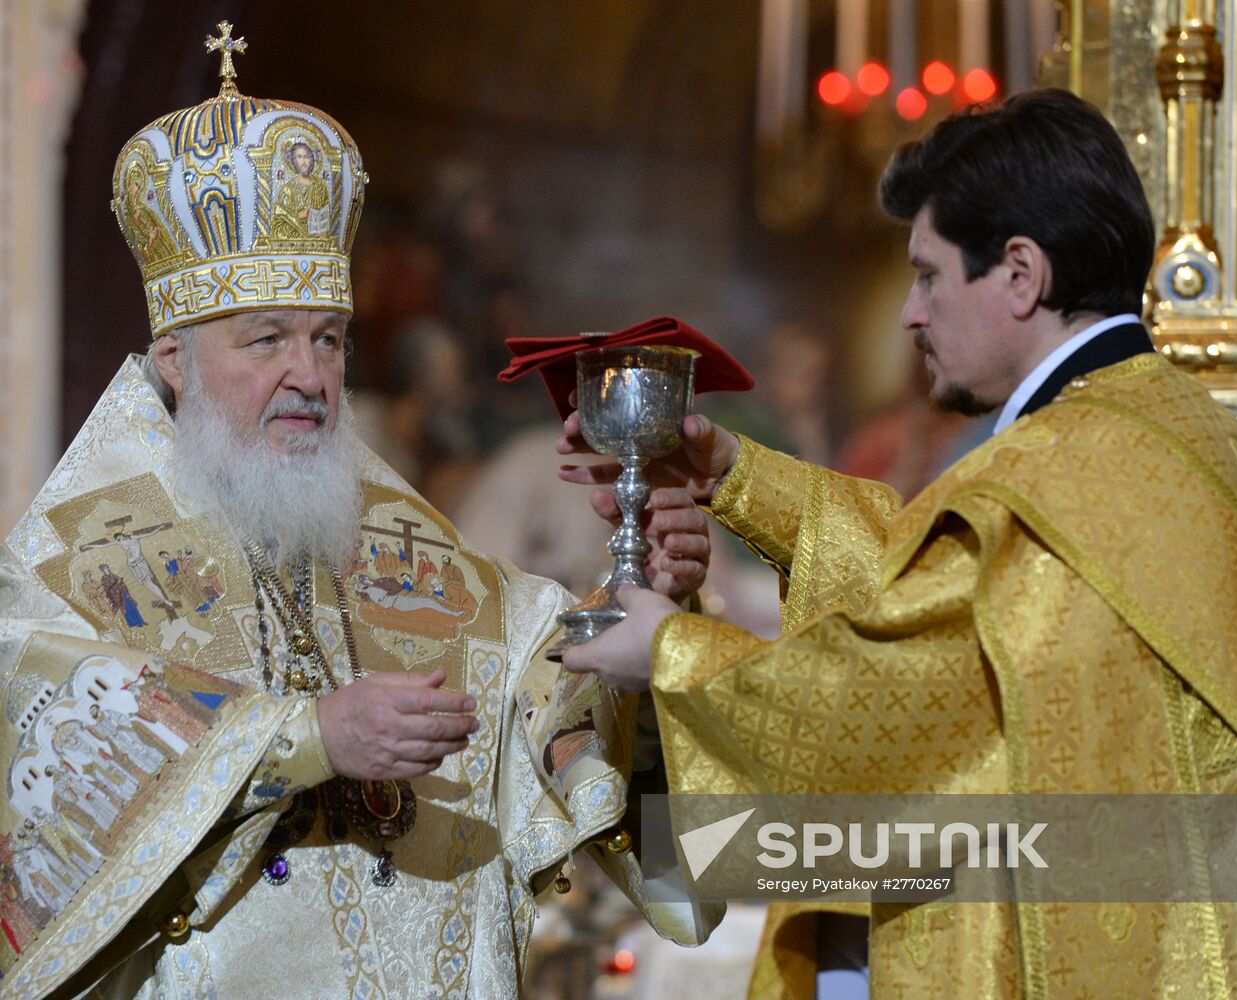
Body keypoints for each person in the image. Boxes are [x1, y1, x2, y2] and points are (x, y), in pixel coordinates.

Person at [0, 25, 716, 999]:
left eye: (329, 339)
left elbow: (532, 687)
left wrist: (650, 620)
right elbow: (47, 750)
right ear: (175, 360)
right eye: (267, 339)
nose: (309, 376)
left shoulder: (388, 531)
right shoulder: (70, 556)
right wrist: (309, 738)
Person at [560, 88, 1237, 997]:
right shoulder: (1183, 440)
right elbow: (951, 597)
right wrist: (734, 475)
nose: (910, 313)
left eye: (929, 275)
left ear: (1020, 274)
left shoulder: (1048, 479)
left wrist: (664, 655)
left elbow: (873, 707)